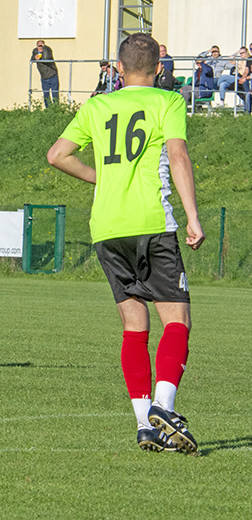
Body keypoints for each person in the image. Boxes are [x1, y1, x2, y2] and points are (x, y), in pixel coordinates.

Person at [47, 33, 205, 454]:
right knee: (177, 321)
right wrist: (192, 216)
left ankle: (144, 426)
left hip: (106, 227)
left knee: (134, 328)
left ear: (118, 69)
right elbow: (178, 156)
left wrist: (101, 178)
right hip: (150, 222)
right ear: (159, 69)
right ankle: (165, 408)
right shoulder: (167, 102)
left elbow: (56, 155)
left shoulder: (97, 106)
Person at [32, 40, 59, 107]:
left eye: (42, 45)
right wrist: (34, 58)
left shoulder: (48, 49)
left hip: (52, 75)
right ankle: (48, 108)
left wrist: (44, 48)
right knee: (46, 94)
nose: (41, 47)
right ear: (37, 46)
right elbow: (31, 59)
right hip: (44, 77)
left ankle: (56, 108)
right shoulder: (35, 51)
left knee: (55, 93)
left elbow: (46, 57)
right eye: (39, 46)